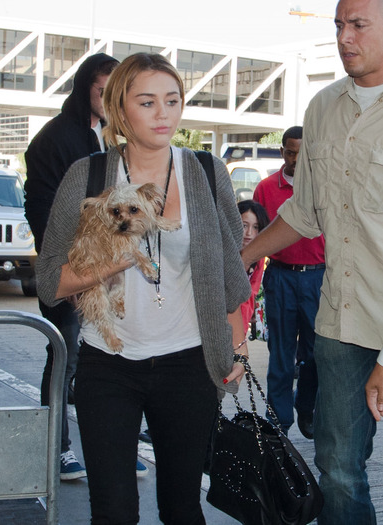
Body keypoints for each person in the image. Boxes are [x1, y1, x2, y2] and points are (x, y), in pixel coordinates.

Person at [35, 52, 251, 524]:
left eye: (172, 101)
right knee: (113, 511)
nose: (163, 114)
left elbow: (231, 269)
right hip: (108, 366)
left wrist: (236, 347)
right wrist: (117, 257)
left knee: (181, 506)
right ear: (119, 108)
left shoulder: (207, 171)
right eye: (148, 101)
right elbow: (50, 278)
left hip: (189, 362)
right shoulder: (88, 175)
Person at [241, 0, 383, 522]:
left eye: (359, 25)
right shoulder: (322, 107)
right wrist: (243, 259)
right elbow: (306, 211)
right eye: (339, 25)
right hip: (343, 321)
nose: (345, 37)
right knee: (338, 471)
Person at [24, 52, 124, 480]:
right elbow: (40, 209)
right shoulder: (57, 137)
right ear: (86, 87)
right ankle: (57, 447)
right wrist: (68, 264)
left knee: (103, 359)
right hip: (67, 267)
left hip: (107, 268)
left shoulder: (112, 136)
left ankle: (112, 449)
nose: (108, 99)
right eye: (102, 91)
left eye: (114, 91)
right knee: (63, 355)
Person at [252, 126, 325, 439]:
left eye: (301, 152)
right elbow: (256, 235)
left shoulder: (323, 186)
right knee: (280, 353)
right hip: (280, 276)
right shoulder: (266, 188)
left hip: (319, 278)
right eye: (290, 152)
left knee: (315, 353)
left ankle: (306, 407)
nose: (296, 158)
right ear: (282, 152)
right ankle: (278, 421)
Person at [237, 200, 269, 335]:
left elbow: (252, 293)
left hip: (242, 325)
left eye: (255, 227)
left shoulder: (259, 257)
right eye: (244, 225)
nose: (249, 233)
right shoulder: (223, 254)